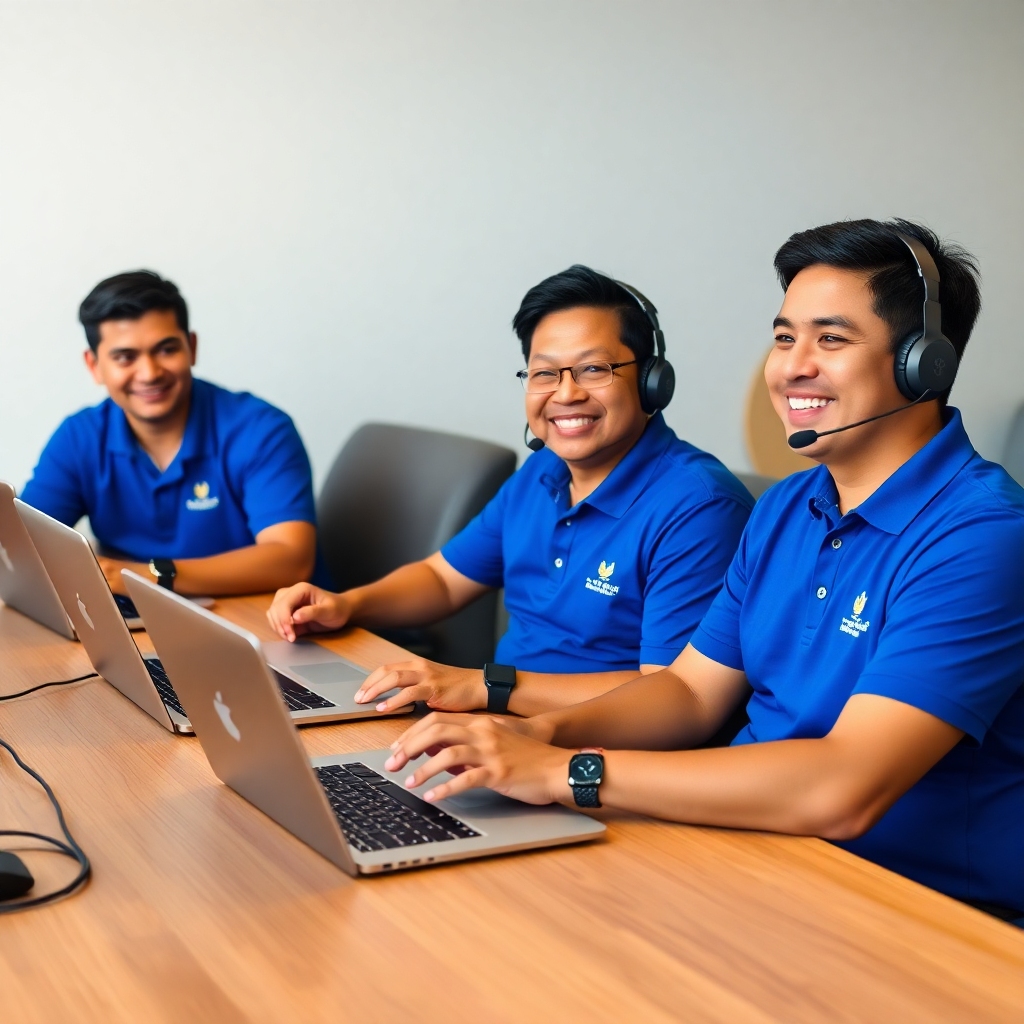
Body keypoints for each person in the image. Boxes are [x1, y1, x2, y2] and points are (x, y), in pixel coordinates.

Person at [383, 221, 1024, 924]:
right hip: (757, 853)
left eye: (830, 340)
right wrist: (534, 738)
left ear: (921, 363)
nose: (791, 367)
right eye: (784, 338)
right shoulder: (787, 506)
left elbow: (843, 785)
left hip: (917, 909)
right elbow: (688, 692)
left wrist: (566, 771)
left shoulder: (984, 535)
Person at [268, 265, 753, 716]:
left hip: (600, 750)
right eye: (544, 373)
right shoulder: (541, 472)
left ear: (652, 382)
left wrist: (488, 686)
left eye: (594, 369)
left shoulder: (700, 509)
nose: (566, 394)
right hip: (501, 723)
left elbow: (667, 697)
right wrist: (348, 605)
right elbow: (443, 579)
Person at [20, 270, 322, 596]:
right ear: (94, 366)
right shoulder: (79, 438)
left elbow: (291, 560)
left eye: (166, 350)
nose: (149, 373)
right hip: (139, 619)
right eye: (125, 357)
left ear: (191, 348)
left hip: (266, 621)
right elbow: (24, 547)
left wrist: (143, 577)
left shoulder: (261, 430)